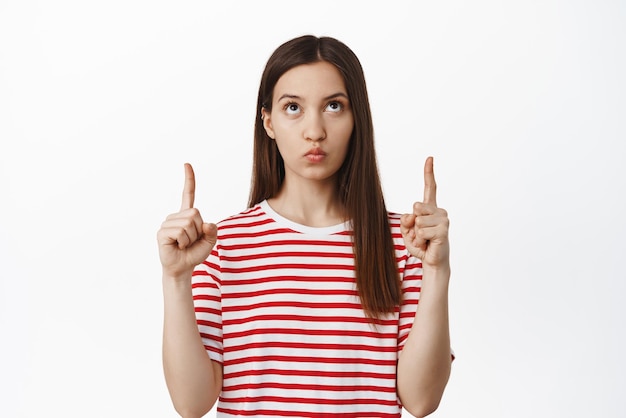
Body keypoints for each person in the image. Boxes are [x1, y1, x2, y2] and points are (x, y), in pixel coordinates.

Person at [157, 34, 453, 418]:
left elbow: (421, 400)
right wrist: (176, 279)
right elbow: (191, 403)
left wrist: (437, 270)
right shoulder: (223, 244)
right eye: (293, 107)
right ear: (268, 122)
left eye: (333, 106)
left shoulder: (406, 242)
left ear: (356, 118)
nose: (315, 130)